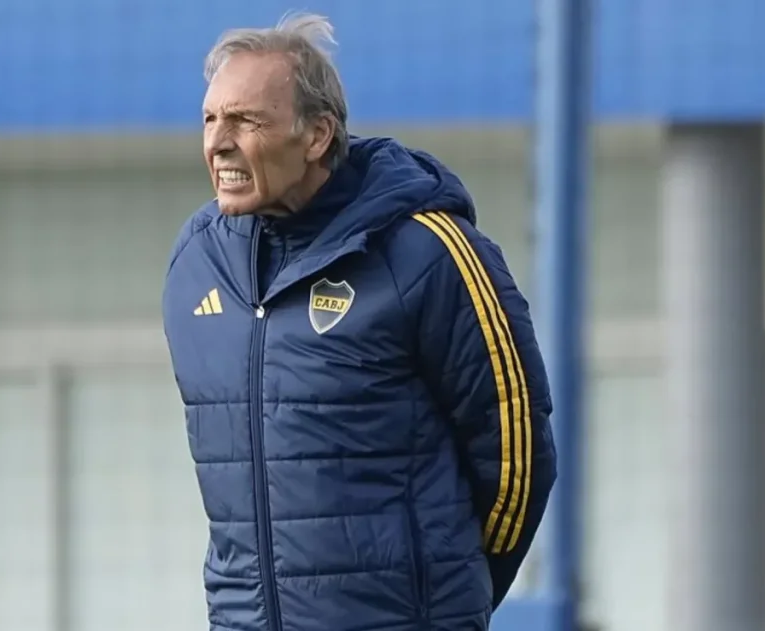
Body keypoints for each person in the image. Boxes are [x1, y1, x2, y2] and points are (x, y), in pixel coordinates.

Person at [162, 12, 557, 631]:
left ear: (317, 135)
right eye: (210, 119)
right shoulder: (196, 263)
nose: (218, 142)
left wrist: (446, 598)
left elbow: (518, 458)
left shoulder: (428, 252)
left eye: (246, 121)